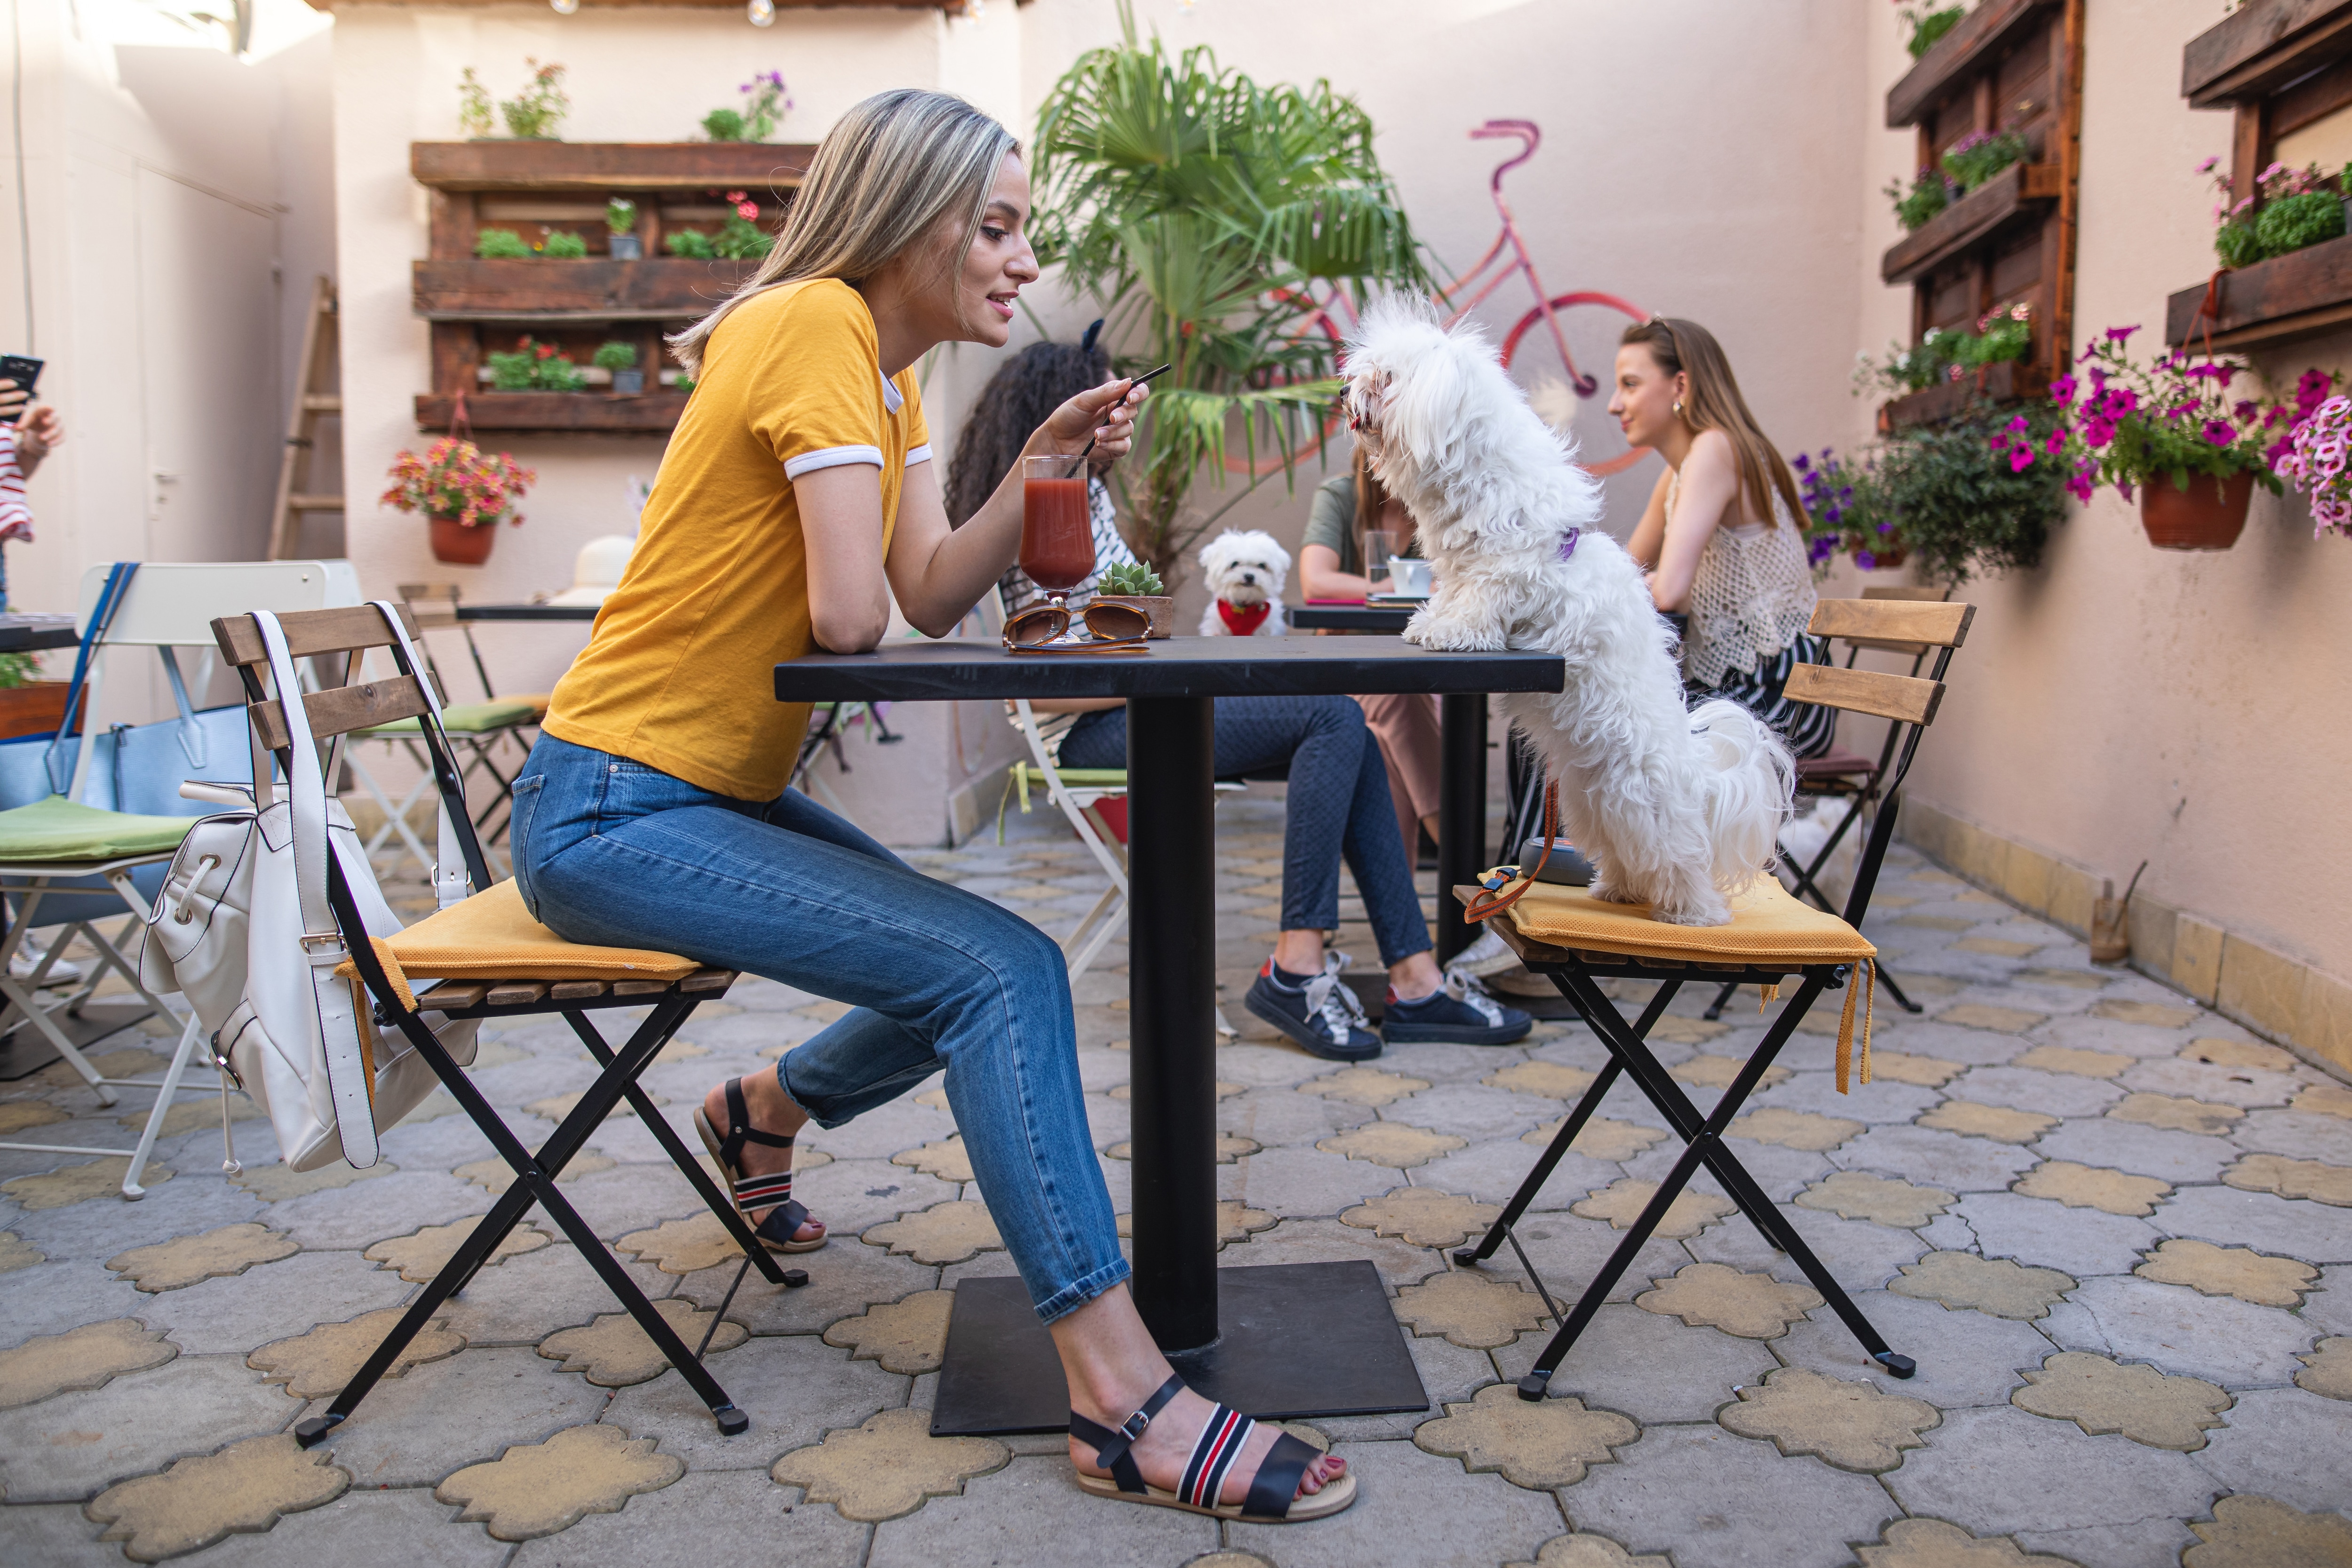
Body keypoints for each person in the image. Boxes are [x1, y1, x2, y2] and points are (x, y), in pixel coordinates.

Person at [511, 89, 1353, 1522]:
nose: (1025, 260)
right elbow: (850, 616)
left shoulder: (889, 378)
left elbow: (925, 591)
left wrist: (1041, 467)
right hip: (608, 806)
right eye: (999, 226)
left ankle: (760, 1111)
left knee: (976, 963)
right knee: (996, 969)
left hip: (709, 793)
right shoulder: (810, 327)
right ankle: (1120, 1399)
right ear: (909, 217)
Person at [946, 336, 1530, 1064]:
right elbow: (1044, 674)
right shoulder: (1039, 506)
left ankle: (1412, 981)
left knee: (1346, 727)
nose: (1125, 414)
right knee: (1333, 716)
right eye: (1108, 402)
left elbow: (1126, 622)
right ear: (1057, 410)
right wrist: (1158, 670)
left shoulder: (1085, 492)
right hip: (1095, 730)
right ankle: (1300, 968)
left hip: (1147, 707)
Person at [1610, 316, 1835, 759]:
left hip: (1782, 692)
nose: (1615, 405)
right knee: (1578, 728)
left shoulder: (1715, 448)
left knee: (1601, 739)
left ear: (1680, 386)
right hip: (1734, 689)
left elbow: (1669, 592)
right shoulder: (1677, 474)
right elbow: (1624, 573)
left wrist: (1632, 586)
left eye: (1630, 385)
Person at [1297, 448, 1444, 864]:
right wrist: (1391, 589)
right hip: (1346, 674)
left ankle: (1400, 904)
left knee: (1380, 742)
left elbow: (1463, 585)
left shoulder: (1440, 506)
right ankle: (1463, 854)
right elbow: (1316, 581)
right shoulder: (1341, 497)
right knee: (1398, 697)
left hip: (1424, 676)